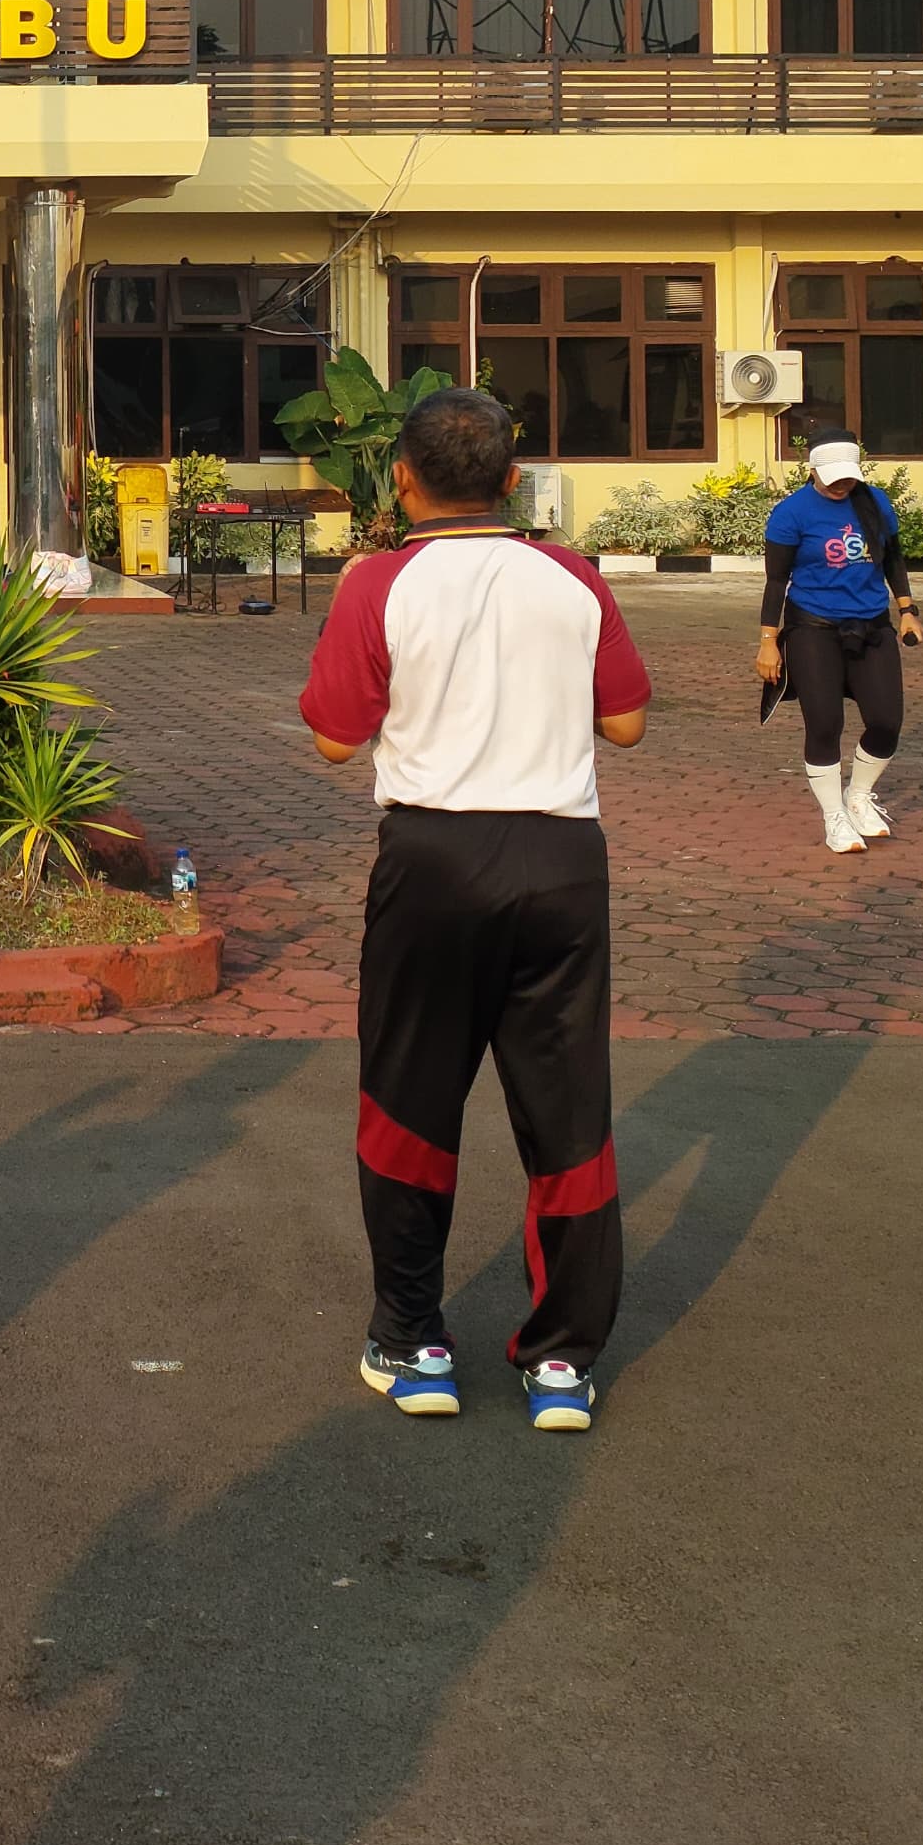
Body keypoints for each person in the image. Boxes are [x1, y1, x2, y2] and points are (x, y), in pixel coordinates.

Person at [298, 388, 652, 1431]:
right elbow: (626, 724)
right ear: (512, 480)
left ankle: (412, 1343)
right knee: (566, 1112)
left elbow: (332, 739)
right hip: (560, 861)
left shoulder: (378, 583)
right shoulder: (573, 578)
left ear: (400, 478)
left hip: (434, 860)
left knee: (409, 1103)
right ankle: (562, 1362)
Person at [755, 437, 922, 853]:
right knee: (825, 724)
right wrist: (768, 641)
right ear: (812, 471)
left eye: (848, 477)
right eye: (833, 478)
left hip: (872, 625)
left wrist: (907, 609)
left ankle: (858, 795)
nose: (841, 485)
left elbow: (893, 558)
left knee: (886, 721)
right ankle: (834, 816)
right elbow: (776, 581)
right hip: (813, 628)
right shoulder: (791, 513)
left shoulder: (875, 502)